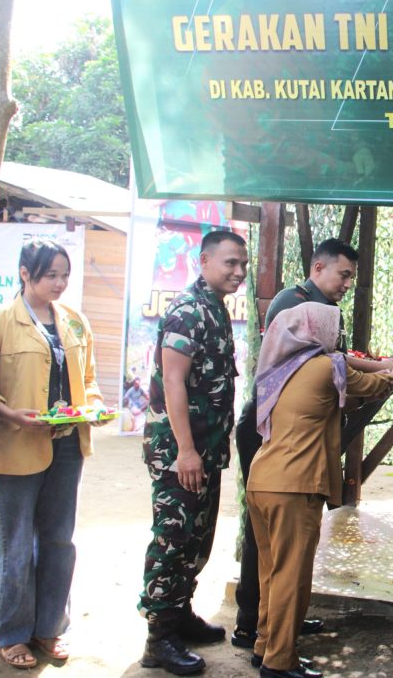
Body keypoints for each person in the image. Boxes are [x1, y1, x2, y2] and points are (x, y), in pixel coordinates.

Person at [232, 238, 393, 650]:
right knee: (285, 558)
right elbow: (344, 370)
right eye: (344, 275)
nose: (347, 285)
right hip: (285, 461)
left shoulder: (303, 352)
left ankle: (273, 630)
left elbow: (338, 365)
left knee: (276, 555)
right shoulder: (297, 308)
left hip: (273, 457)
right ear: (318, 268)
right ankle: (265, 637)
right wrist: (388, 371)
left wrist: (374, 367)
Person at [247, 304, 393, 678]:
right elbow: (371, 386)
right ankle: (278, 662)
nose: (336, 337)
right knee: (292, 577)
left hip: (263, 481)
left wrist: (380, 369)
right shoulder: (322, 367)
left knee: (271, 572)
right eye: (332, 329)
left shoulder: (281, 369)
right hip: (294, 486)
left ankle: (265, 645)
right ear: (314, 332)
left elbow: (338, 390)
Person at [0, 239, 108, 669]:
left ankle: (50, 627)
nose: (59, 283)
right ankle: (12, 633)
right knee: (14, 542)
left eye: (64, 274)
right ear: (25, 273)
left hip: (68, 444)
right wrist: (9, 414)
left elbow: (87, 378)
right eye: (50, 274)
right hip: (14, 445)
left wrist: (93, 406)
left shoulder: (74, 321)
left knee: (58, 539)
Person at [138, 230, 249, 676]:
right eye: (230, 263)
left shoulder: (215, 308)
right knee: (174, 540)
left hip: (205, 450)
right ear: (204, 261)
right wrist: (185, 451)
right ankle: (158, 637)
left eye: (243, 264)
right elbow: (173, 381)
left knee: (197, 540)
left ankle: (179, 613)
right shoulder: (188, 310)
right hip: (179, 453)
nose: (239, 272)